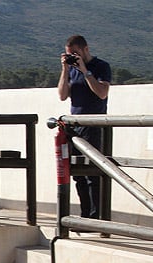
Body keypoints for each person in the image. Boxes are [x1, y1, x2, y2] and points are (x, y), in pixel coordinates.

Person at [57, 34, 111, 219]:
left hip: (94, 125)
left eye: (75, 53)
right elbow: (63, 95)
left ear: (86, 49)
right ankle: (85, 214)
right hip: (74, 126)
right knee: (77, 173)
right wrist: (65, 69)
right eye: (69, 54)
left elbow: (102, 93)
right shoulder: (71, 70)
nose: (73, 57)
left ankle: (97, 216)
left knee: (92, 173)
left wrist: (86, 71)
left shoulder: (101, 66)